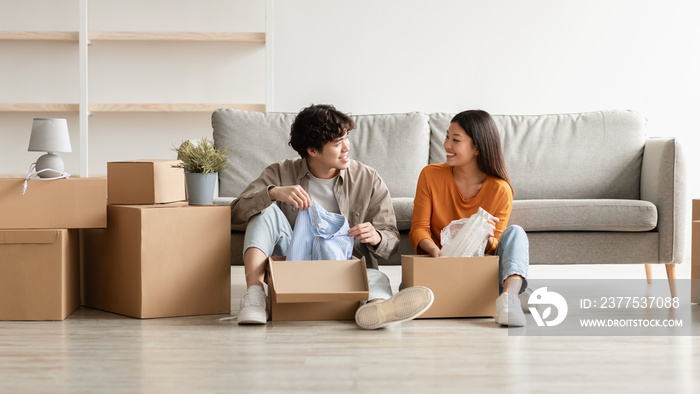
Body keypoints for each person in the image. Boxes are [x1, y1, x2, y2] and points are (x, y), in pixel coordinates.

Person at [231, 104, 434, 329]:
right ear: (312, 150)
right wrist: (273, 192)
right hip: (294, 265)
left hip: (345, 269)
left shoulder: (367, 178)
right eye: (337, 143)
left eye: (346, 137)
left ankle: (377, 308)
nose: (347, 147)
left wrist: (376, 236)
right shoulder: (280, 172)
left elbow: (391, 237)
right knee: (264, 210)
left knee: (376, 279)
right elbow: (236, 212)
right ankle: (255, 296)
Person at [409, 109, 530, 327]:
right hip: (441, 267)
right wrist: (433, 249)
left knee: (516, 233)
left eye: (455, 140)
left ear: (477, 147)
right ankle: (519, 293)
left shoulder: (500, 189)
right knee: (406, 291)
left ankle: (509, 299)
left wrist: (487, 237)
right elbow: (419, 228)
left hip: (478, 273)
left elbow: (492, 251)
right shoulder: (430, 175)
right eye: (447, 136)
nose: (446, 145)